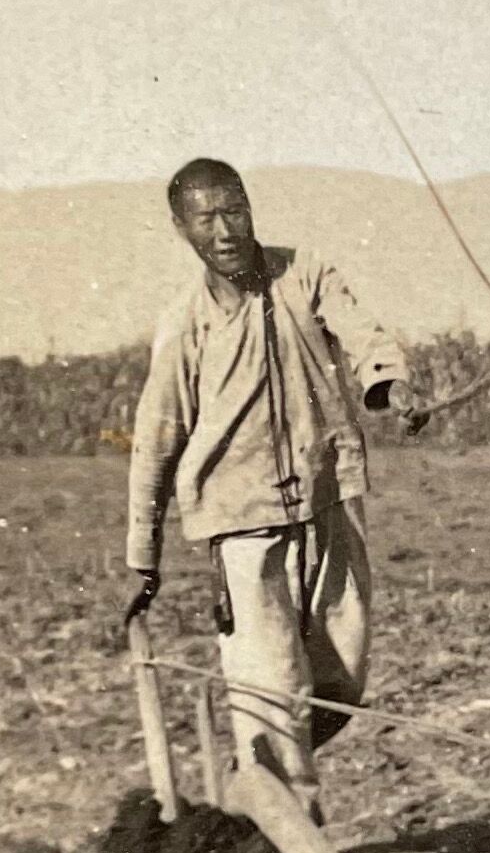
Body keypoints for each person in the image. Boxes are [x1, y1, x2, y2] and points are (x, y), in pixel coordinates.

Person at [122, 159, 428, 813]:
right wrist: (142, 557)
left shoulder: (305, 275)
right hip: (243, 530)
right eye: (207, 218)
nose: (226, 229)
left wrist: (389, 384)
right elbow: (156, 437)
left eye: (235, 210)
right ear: (182, 230)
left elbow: (363, 334)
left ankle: (254, 787)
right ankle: (291, 835)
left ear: (252, 208)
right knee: (271, 692)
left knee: (339, 680)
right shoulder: (185, 323)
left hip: (327, 505)